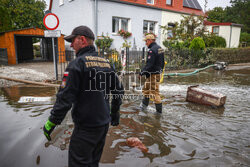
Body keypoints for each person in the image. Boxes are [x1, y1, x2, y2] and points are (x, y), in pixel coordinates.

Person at [43, 25, 124, 167]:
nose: (71, 44)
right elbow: (118, 91)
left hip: (86, 128)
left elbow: (65, 98)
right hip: (103, 125)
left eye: (73, 40)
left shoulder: (77, 64)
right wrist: (115, 113)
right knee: (93, 162)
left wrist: (52, 122)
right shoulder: (106, 63)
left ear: (82, 40)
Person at [139, 34, 164, 113]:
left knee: (154, 93)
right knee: (146, 90)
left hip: (153, 75)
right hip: (156, 73)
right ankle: (143, 107)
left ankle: (159, 113)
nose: (146, 43)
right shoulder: (160, 48)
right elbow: (162, 62)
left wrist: (142, 72)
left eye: (146, 41)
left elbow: (150, 64)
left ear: (150, 40)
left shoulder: (152, 50)